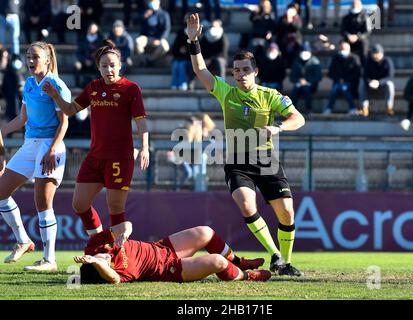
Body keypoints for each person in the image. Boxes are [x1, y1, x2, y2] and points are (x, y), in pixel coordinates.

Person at [187, 13, 305, 276]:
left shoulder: (270, 96)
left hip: (266, 160)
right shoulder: (226, 92)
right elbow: (201, 70)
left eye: (246, 70)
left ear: (256, 72)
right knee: (246, 204)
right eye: (236, 70)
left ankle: (284, 263)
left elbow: (299, 118)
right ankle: (274, 254)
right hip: (238, 161)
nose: (240, 75)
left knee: (286, 213)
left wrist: (278, 127)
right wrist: (193, 41)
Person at [43, 40, 150, 239]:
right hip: (95, 157)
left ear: (120, 65)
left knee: (115, 209)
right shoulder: (93, 87)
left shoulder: (131, 89)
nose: (108, 70)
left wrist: (144, 147)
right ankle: (100, 241)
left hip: (119, 158)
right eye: (104, 66)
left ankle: (120, 258)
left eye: (112, 65)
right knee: (79, 204)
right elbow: (70, 110)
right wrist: (55, 95)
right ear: (98, 67)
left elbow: (141, 122)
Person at [0, 41, 70, 272]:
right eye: (28, 56)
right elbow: (22, 119)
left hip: (51, 144)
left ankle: (49, 260)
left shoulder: (56, 84)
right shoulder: (29, 83)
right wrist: (2, 131)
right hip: (30, 143)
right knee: (0, 193)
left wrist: (52, 149)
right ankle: (23, 240)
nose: (30, 60)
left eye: (35, 57)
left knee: (42, 202)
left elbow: (64, 121)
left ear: (48, 60)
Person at [75, 221, 270, 284]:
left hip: (162, 248)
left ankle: (238, 262)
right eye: (104, 263)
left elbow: (127, 224)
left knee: (206, 232)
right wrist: (100, 263)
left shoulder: (95, 244)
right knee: (217, 262)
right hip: (168, 269)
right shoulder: (117, 273)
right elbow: (114, 280)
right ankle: (246, 276)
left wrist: (124, 232)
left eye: (101, 257)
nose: (107, 258)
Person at [323, 40, 361, 114]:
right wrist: (338, 79)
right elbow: (331, 72)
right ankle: (329, 108)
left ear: (349, 48)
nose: (343, 50)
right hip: (337, 82)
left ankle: (352, 108)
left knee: (344, 89)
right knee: (334, 90)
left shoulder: (354, 58)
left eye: (345, 48)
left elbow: (357, 73)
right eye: (342, 48)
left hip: (350, 82)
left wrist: (346, 80)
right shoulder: (335, 58)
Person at [358, 43, 395, 117]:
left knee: (390, 85)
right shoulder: (368, 61)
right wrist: (370, 82)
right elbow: (365, 75)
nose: (375, 55)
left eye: (377, 53)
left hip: (383, 83)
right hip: (370, 84)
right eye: (374, 53)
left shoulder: (387, 61)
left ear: (382, 53)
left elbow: (390, 76)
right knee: (361, 83)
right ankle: (364, 108)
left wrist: (379, 82)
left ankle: (389, 107)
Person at [289, 42, 322, 114]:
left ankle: (308, 109)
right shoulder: (296, 61)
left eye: (306, 51)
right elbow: (292, 77)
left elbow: (318, 77)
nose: (304, 53)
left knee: (306, 89)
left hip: (311, 85)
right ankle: (292, 111)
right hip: (298, 84)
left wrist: (307, 81)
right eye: (303, 51)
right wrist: (299, 80)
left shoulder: (315, 61)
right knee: (294, 91)